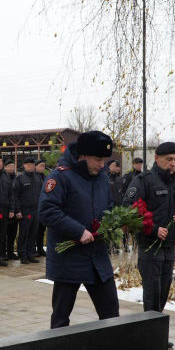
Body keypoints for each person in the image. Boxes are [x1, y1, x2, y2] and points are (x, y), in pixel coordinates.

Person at [39, 131, 119, 329]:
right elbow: (47, 211)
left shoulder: (101, 177)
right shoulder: (60, 176)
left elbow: (108, 206)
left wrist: (112, 225)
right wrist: (78, 231)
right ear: (83, 155)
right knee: (61, 318)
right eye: (98, 159)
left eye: (105, 160)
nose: (102, 165)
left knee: (111, 314)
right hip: (69, 258)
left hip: (97, 258)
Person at [122, 142, 175, 348]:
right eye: (168, 159)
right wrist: (153, 229)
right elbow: (129, 211)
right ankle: (150, 337)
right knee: (152, 291)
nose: (172, 164)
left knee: (163, 291)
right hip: (149, 246)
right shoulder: (143, 181)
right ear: (156, 158)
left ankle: (156, 334)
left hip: (169, 247)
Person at [13, 157, 43, 264]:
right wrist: (18, 210)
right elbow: (15, 196)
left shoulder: (38, 177)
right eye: (28, 165)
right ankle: (22, 254)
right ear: (24, 166)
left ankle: (31, 254)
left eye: (32, 164)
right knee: (24, 233)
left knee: (33, 233)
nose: (31, 166)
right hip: (25, 210)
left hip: (36, 210)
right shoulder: (20, 178)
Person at [4, 160, 19, 260]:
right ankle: (2, 252)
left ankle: (10, 252)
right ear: (5, 167)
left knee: (12, 233)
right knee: (3, 233)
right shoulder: (3, 177)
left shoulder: (17, 178)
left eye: (13, 166)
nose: (11, 168)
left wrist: (16, 210)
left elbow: (17, 195)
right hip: (4, 209)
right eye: (9, 166)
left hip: (14, 209)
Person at [35, 159, 47, 257]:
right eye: (41, 166)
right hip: (34, 207)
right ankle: (33, 248)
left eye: (44, 166)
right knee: (35, 230)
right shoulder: (34, 177)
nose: (42, 168)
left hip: (43, 207)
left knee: (42, 229)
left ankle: (40, 247)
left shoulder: (45, 177)